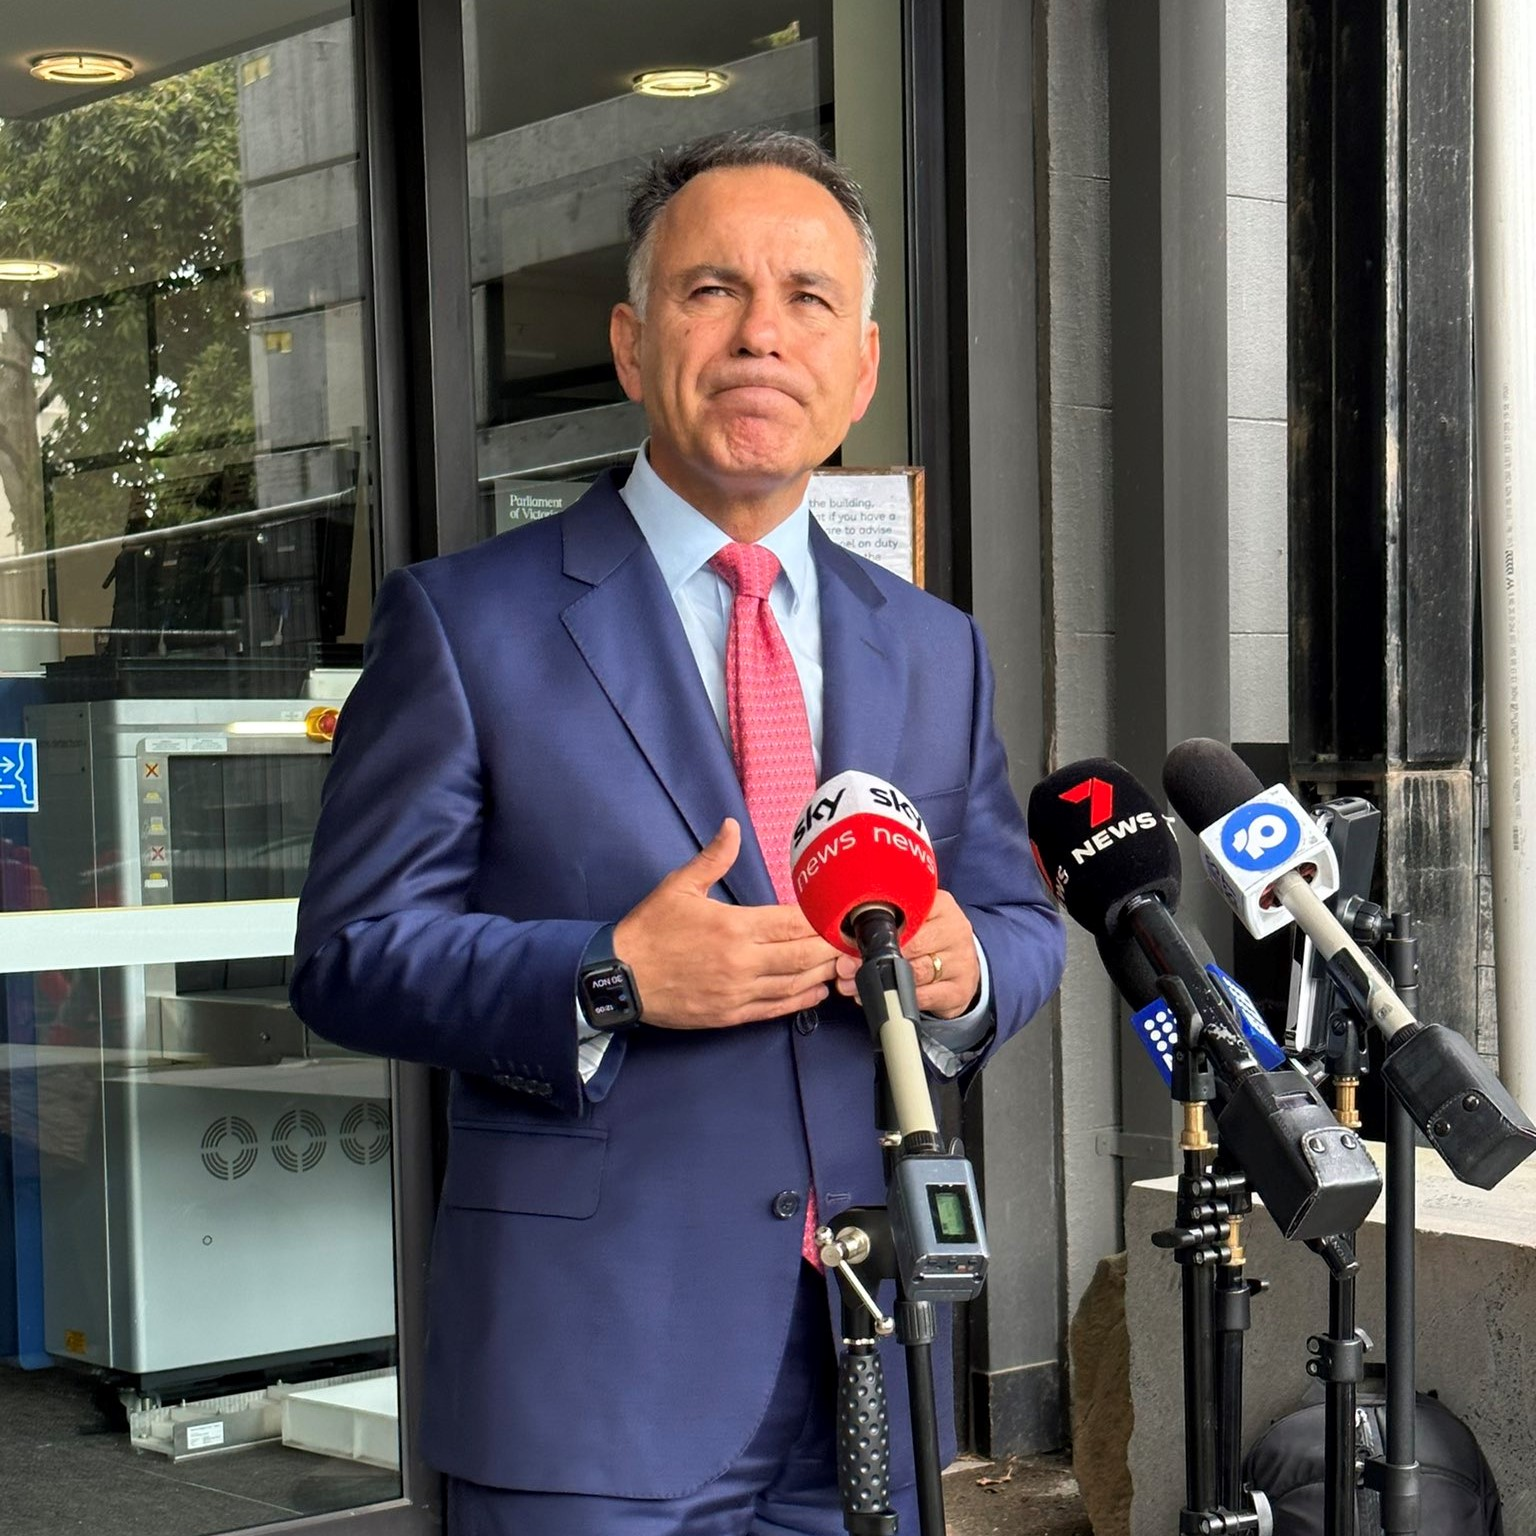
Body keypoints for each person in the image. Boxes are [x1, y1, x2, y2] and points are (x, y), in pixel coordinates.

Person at [291, 128, 1066, 1535]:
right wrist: (609, 975)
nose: (763, 332)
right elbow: (351, 955)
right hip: (591, 1377)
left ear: (861, 368)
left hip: (872, 1353)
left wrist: (966, 971)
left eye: (808, 298)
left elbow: (1014, 919)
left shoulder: (934, 647)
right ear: (633, 344)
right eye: (714, 290)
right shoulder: (466, 622)